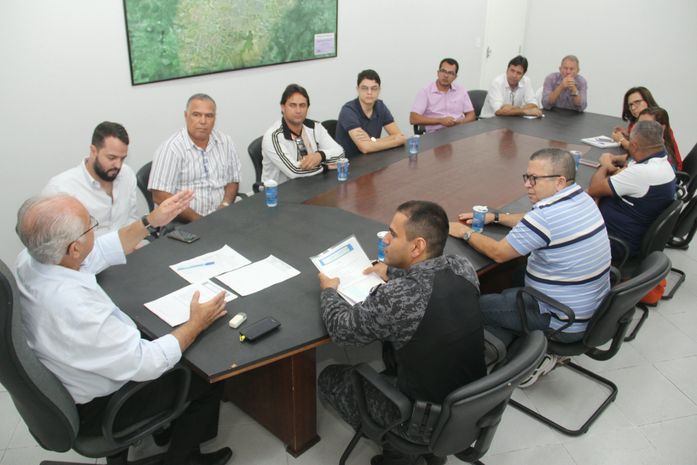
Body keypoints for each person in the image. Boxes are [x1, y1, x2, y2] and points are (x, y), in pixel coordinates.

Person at [14, 190, 232, 465]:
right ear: (74, 249)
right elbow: (148, 363)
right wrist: (196, 323)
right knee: (205, 374)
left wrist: (150, 221)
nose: (94, 228)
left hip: (73, 377)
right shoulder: (76, 308)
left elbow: (96, 253)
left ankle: (166, 430)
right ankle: (184, 459)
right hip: (107, 407)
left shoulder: (31, 260)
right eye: (90, 225)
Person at [318, 200, 485, 465]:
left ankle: (400, 453)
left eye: (393, 234)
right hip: (471, 405)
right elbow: (427, 281)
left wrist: (328, 291)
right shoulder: (463, 267)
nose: (385, 239)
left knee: (329, 377)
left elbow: (341, 330)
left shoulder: (396, 297)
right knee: (396, 345)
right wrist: (391, 271)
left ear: (417, 246)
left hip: (421, 422)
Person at [449, 148, 611, 385]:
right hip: (593, 311)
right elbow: (531, 220)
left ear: (560, 181)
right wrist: (496, 217)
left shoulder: (545, 216)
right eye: (526, 177)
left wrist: (464, 232)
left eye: (534, 179)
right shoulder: (582, 197)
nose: (527, 185)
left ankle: (527, 358)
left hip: (561, 320)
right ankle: (514, 342)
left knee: (473, 306)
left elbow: (499, 253)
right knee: (516, 275)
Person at [588, 120, 677, 260]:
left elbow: (594, 189)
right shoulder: (663, 164)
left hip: (614, 243)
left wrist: (605, 165)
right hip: (634, 232)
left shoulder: (642, 173)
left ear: (634, 146)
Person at [149, 93, 241, 223]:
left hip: (220, 216)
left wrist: (225, 205)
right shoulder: (171, 149)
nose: (203, 121)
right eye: (196, 115)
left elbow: (233, 180)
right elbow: (159, 195)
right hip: (184, 221)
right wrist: (199, 221)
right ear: (186, 116)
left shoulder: (225, 142)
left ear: (215, 118)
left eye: (209, 116)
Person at [42, 121, 138, 236]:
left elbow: (131, 218)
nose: (118, 165)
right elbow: (55, 241)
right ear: (93, 151)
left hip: (128, 244)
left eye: (122, 159)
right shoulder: (60, 189)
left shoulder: (127, 174)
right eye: (111, 158)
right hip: (90, 248)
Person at [261, 83, 344, 185]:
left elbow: (341, 154)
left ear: (307, 108)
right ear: (283, 107)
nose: (298, 110)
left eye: (302, 105)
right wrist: (325, 166)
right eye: (292, 105)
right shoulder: (273, 137)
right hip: (279, 191)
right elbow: (294, 171)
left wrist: (320, 156)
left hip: (311, 185)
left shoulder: (315, 127)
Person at [335, 69, 407, 157]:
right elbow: (365, 148)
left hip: (372, 159)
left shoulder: (380, 106)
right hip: (350, 162)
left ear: (379, 90)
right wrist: (395, 141)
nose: (369, 92)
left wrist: (372, 141)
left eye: (374, 88)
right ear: (357, 89)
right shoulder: (348, 111)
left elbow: (399, 135)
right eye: (364, 88)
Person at [409, 58, 476, 133]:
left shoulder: (461, 90)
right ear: (438, 73)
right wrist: (440, 121)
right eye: (443, 71)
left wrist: (460, 122)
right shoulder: (425, 92)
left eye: (450, 73)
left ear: (455, 77)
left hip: (459, 131)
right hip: (436, 134)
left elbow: (471, 115)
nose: (446, 75)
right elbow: (413, 118)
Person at [611, 86, 658, 152]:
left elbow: (641, 151)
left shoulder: (657, 122)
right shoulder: (636, 122)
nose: (633, 108)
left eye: (637, 102)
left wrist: (621, 139)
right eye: (630, 105)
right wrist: (628, 135)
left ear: (648, 101)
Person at [638, 106, 683, 171]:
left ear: (662, 128)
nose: (639, 129)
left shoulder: (661, 155)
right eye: (639, 125)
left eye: (646, 125)